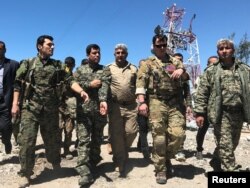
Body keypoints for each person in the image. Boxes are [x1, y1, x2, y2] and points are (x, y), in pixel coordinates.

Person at [11, 35, 89, 188]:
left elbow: (70, 80)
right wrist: (15, 104)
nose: (52, 47)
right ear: (40, 46)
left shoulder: (58, 65)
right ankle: (25, 173)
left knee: (53, 141)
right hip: (30, 109)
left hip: (51, 109)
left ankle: (55, 164)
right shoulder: (28, 63)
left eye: (53, 45)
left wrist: (81, 91)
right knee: (27, 141)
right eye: (49, 45)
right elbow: (17, 85)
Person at [136, 33, 188, 184]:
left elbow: (186, 78)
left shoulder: (175, 61)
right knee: (159, 137)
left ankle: (165, 158)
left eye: (164, 45)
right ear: (154, 46)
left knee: (178, 135)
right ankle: (161, 169)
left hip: (174, 102)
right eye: (159, 45)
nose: (162, 48)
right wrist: (142, 102)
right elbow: (141, 84)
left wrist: (182, 71)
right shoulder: (148, 63)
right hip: (156, 101)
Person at [194, 38, 250, 172]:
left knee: (233, 143)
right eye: (221, 49)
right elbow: (202, 93)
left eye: (227, 48)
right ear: (218, 52)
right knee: (226, 145)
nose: (224, 51)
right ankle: (231, 171)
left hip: (239, 112)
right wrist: (200, 113)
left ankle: (216, 160)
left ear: (233, 50)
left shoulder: (244, 69)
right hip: (220, 113)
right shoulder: (211, 71)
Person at [74, 44, 110, 188]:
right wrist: (89, 84)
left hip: (99, 111)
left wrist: (102, 101)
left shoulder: (104, 70)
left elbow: (105, 84)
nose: (97, 55)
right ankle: (83, 171)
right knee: (83, 140)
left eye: (99, 53)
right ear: (88, 54)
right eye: (94, 53)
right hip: (84, 111)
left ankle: (93, 162)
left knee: (97, 139)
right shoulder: (80, 70)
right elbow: (73, 84)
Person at [107, 43, 138, 177]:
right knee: (117, 134)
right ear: (114, 54)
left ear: (126, 54)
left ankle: (122, 152)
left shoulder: (133, 68)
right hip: (116, 106)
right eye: (118, 53)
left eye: (123, 52)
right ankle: (119, 161)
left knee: (131, 132)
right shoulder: (108, 68)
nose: (120, 55)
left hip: (131, 106)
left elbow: (140, 85)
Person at [194, 56, 218, 160]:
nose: (213, 65)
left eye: (215, 63)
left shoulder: (222, 75)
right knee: (202, 131)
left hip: (218, 109)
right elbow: (199, 93)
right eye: (211, 63)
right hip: (205, 109)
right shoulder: (202, 77)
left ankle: (219, 153)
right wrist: (199, 111)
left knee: (220, 132)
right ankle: (199, 149)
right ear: (207, 64)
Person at [0, 41, 19, 154]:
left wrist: (16, 103)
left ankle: (7, 141)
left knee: (6, 128)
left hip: (5, 101)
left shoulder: (13, 64)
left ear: (5, 50)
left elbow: (18, 84)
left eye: (1, 48)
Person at [173, 53, 192, 162]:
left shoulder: (184, 75)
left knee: (181, 129)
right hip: (166, 105)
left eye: (180, 60)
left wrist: (189, 105)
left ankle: (179, 150)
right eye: (176, 60)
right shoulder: (166, 70)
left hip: (180, 105)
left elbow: (187, 92)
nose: (178, 61)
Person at [59, 56, 77, 160]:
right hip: (58, 106)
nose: (68, 66)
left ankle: (66, 150)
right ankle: (56, 151)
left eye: (70, 65)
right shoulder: (59, 74)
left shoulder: (74, 76)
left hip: (70, 107)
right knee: (58, 129)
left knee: (69, 130)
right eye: (67, 64)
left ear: (73, 65)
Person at [136, 59, 150, 159]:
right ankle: (144, 148)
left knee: (147, 127)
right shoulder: (136, 77)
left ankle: (140, 143)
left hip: (152, 104)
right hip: (139, 105)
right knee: (143, 126)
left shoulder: (151, 76)